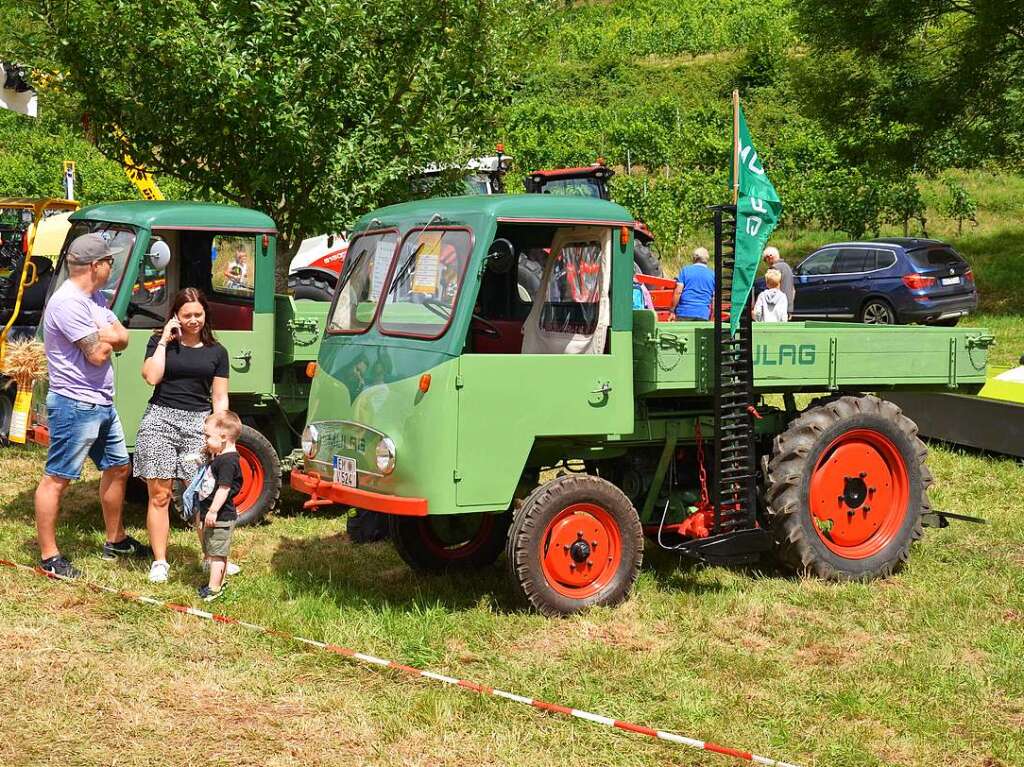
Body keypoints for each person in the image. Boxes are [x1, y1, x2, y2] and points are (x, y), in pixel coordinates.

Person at [34, 233, 150, 578]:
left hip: (101, 402)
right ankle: (49, 557)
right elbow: (99, 354)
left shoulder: (95, 297)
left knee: (118, 467)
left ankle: (115, 540)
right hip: (75, 404)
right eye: (109, 262)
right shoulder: (68, 302)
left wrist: (107, 333)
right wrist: (108, 334)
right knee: (58, 478)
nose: (112, 267)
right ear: (95, 266)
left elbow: (124, 337)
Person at [135, 287, 230, 583]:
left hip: (197, 425)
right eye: (186, 315)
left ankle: (210, 557)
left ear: (205, 315)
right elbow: (151, 376)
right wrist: (164, 340)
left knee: (201, 494)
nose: (193, 320)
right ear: (175, 316)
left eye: (198, 315)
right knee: (160, 495)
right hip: (160, 420)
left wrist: (218, 431)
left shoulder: (217, 352)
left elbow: (220, 398)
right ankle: (160, 562)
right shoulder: (158, 342)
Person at [194, 410, 243, 601]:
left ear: (223, 437)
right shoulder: (221, 457)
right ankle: (218, 582)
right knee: (216, 551)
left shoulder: (228, 462)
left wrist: (213, 510)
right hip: (214, 514)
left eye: (207, 436)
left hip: (221, 516)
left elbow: (224, 488)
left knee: (217, 554)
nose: (205, 440)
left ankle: (214, 589)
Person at [673, 247, 715, 321]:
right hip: (703, 314)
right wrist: (712, 316)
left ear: (695, 258)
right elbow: (714, 298)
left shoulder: (685, 271)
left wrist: (672, 310)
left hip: (684, 313)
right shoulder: (712, 274)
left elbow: (678, 292)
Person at [762, 246, 795, 312]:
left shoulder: (774, 268)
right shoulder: (787, 266)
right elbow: (793, 290)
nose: (766, 263)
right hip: (788, 307)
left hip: (777, 308)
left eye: (765, 260)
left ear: (769, 257)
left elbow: (772, 290)